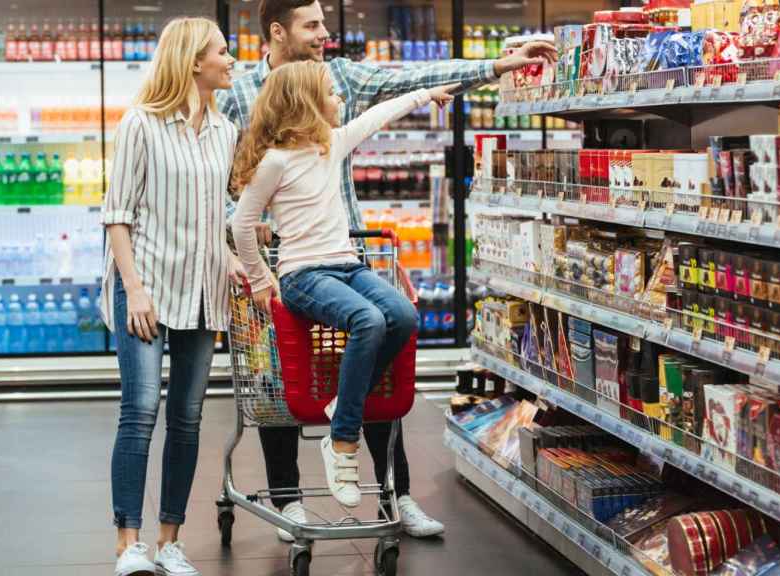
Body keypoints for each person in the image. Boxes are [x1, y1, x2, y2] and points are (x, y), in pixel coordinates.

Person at [218, 0, 557, 540]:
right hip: (285, 266)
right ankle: (289, 501)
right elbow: (225, 181)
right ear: (278, 31)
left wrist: (495, 66)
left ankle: (394, 495)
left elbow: (412, 80)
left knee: (377, 357)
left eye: (325, 22)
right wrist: (249, 250)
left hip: (349, 251)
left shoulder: (341, 78)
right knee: (280, 384)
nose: (324, 34)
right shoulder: (236, 93)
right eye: (312, 25)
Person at [231, 60, 456, 509]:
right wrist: (260, 278)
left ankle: (341, 404)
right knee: (368, 321)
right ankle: (343, 440)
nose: (339, 101)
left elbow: (379, 115)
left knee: (404, 316)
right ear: (306, 104)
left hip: (347, 266)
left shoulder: (331, 145)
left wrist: (426, 94)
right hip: (302, 274)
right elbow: (242, 224)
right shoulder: (274, 162)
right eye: (332, 94)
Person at [101, 17, 244, 576]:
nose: (231, 61)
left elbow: (216, 216)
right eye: (223, 52)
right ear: (192, 62)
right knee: (139, 411)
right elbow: (117, 216)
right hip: (148, 288)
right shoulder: (140, 123)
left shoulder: (225, 131)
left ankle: (170, 541)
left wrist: (230, 257)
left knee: (186, 418)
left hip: (204, 291)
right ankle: (128, 543)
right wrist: (133, 289)